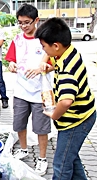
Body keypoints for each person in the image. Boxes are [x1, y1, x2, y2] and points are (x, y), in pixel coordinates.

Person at [35, 17, 96, 180]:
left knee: (61, 165)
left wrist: (54, 115)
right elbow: (55, 59)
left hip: (76, 122)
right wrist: (50, 67)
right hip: (83, 115)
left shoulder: (68, 73)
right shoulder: (68, 51)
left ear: (56, 46)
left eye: (44, 47)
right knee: (71, 158)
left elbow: (66, 101)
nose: (44, 52)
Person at [5, 4, 51, 176]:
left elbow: (55, 64)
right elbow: (10, 59)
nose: (24, 26)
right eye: (20, 23)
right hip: (21, 91)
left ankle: (42, 158)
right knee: (19, 123)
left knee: (41, 128)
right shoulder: (17, 39)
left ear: (36, 20)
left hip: (41, 92)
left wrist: (42, 68)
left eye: (27, 22)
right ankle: (23, 149)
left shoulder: (44, 39)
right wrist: (11, 64)